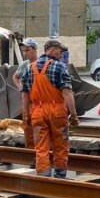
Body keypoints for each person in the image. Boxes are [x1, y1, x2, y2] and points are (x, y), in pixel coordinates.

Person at [20, 39, 79, 179]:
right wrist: (74, 115)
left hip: (37, 112)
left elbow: (24, 95)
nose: (62, 53)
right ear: (51, 49)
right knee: (60, 144)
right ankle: (60, 176)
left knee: (41, 146)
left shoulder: (29, 68)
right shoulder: (60, 67)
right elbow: (67, 92)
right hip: (57, 111)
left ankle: (43, 177)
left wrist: (26, 116)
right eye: (60, 50)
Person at [12, 38, 39, 149]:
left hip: (39, 101)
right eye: (23, 50)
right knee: (27, 126)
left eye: (27, 50)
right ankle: (30, 149)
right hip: (27, 101)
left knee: (39, 126)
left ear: (35, 49)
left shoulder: (41, 63)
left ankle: (40, 150)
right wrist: (20, 88)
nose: (25, 53)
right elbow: (15, 77)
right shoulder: (24, 65)